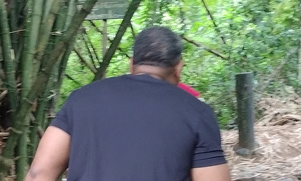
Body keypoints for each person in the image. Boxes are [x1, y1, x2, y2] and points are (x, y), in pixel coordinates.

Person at [25, 26, 230, 181]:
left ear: (132, 64)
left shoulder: (81, 99)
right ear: (178, 68)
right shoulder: (196, 112)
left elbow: (39, 174)